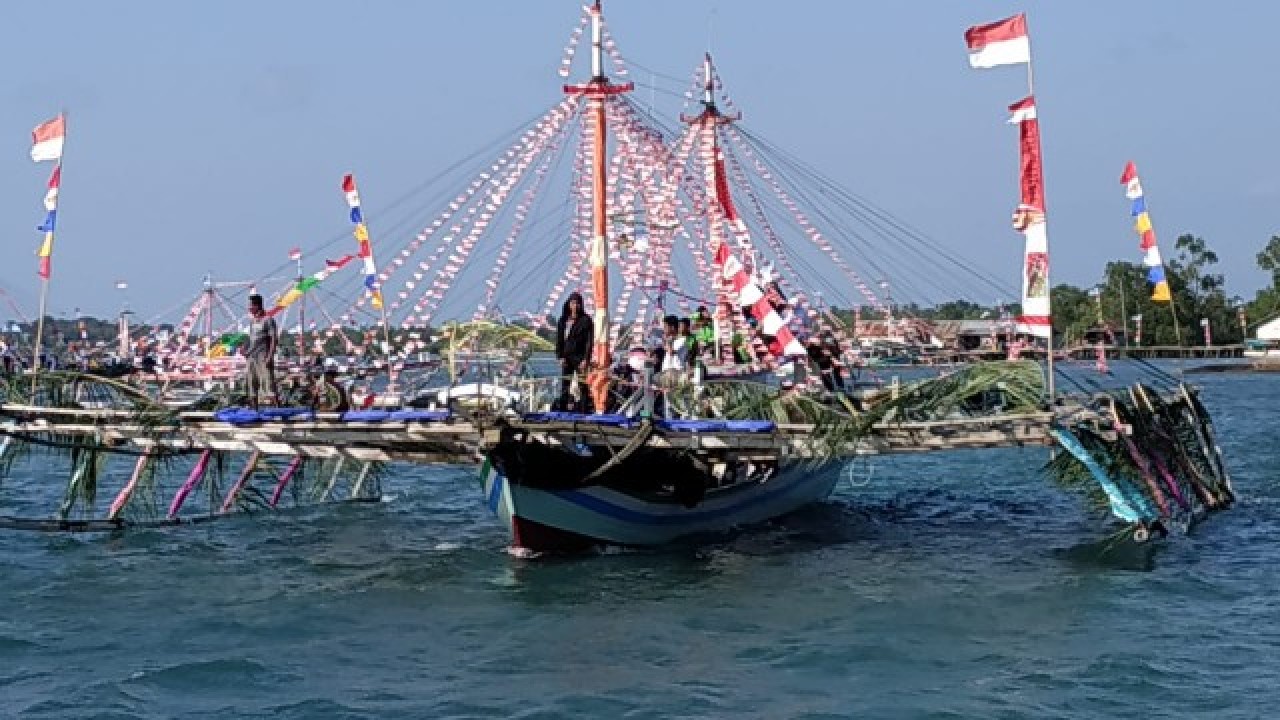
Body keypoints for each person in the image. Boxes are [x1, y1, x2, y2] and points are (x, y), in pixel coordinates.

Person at [554, 291, 593, 412]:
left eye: (577, 303)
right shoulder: (563, 320)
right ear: (568, 304)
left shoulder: (586, 320)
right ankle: (563, 409)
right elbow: (559, 340)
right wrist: (560, 356)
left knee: (582, 384)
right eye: (572, 303)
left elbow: (589, 341)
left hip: (580, 356)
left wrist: (586, 359)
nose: (575, 306)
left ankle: (583, 410)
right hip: (566, 356)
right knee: (565, 383)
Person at [245, 294, 280, 409]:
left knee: (268, 383)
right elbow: (252, 339)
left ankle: (277, 410)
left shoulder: (268, 320)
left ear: (257, 305)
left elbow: (274, 339)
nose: (249, 308)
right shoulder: (252, 321)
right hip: (251, 357)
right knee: (252, 384)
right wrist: (245, 350)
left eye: (251, 305)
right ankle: (254, 410)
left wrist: (270, 356)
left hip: (263, 356)